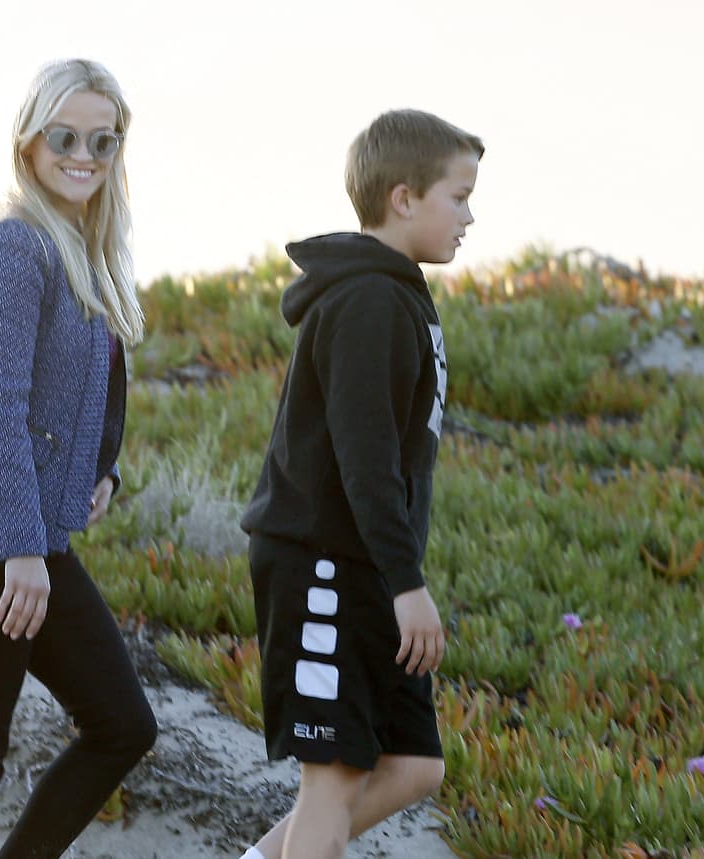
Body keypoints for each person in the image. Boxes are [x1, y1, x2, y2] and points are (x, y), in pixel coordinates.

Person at [0, 58, 157, 859]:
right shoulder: (14, 242)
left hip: (22, 533)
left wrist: (101, 473)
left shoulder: (79, 246)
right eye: (64, 136)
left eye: (102, 141)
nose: (83, 154)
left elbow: (91, 391)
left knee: (122, 724)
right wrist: (20, 549)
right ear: (29, 142)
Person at [237, 109, 484, 859]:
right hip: (324, 563)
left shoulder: (400, 294)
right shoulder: (369, 301)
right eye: (459, 195)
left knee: (414, 765)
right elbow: (364, 457)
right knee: (333, 782)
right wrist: (407, 582)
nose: (470, 215)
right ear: (403, 197)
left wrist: (396, 575)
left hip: (366, 566)